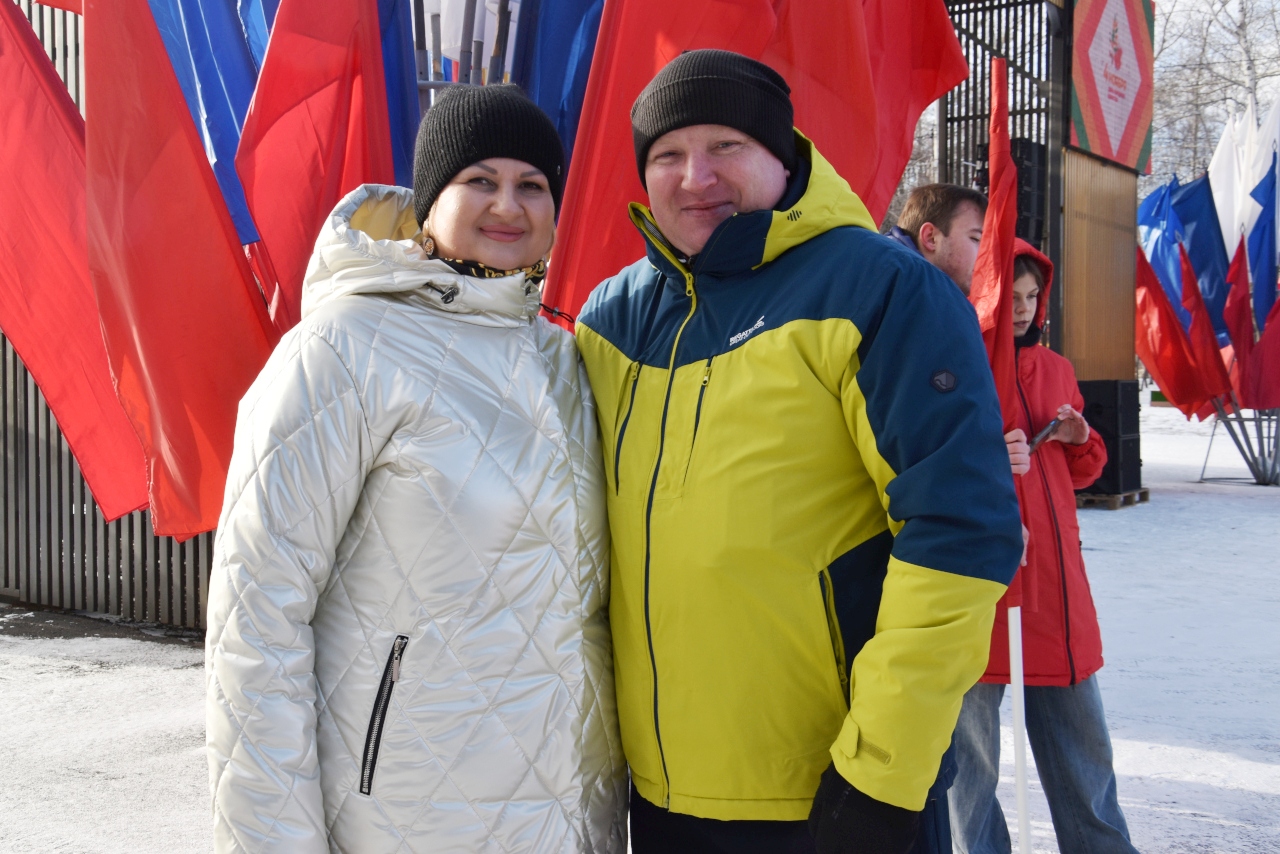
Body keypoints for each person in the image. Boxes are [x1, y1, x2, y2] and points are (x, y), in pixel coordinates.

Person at [574, 50, 1024, 854]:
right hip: (659, 794)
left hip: (833, 799)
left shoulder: (879, 288)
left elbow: (958, 532)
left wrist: (883, 773)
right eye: (668, 154)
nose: (695, 177)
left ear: (782, 157)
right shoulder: (610, 319)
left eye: (726, 146)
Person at [205, 84, 626, 853]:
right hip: (405, 817)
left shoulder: (566, 361)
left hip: (564, 817)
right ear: (429, 203)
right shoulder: (342, 349)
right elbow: (257, 618)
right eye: (480, 180)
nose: (508, 205)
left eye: (533, 185)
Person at [947, 240, 1139, 854]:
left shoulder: (1056, 367)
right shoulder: (957, 357)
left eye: (1033, 296)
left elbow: (1083, 472)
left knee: (1086, 758)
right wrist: (987, 459)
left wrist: (1079, 437)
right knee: (970, 770)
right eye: (1013, 296)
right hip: (986, 588)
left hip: (1056, 591)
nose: (1024, 308)